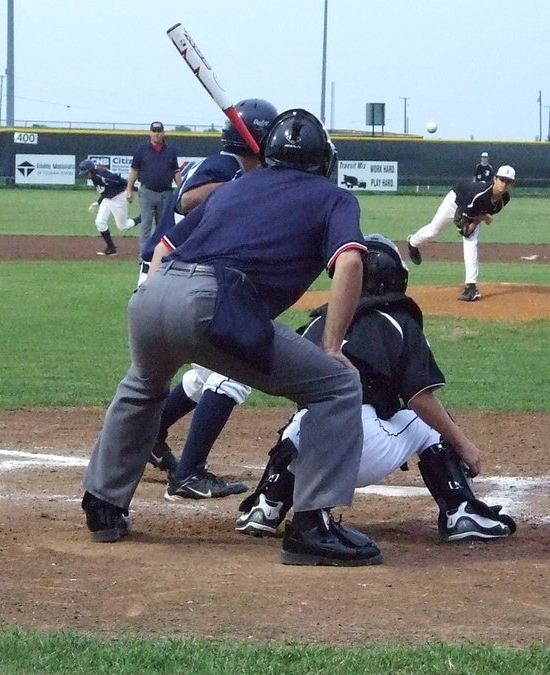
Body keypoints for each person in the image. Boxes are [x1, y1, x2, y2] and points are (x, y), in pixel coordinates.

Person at [81, 108, 384, 567]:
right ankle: (311, 526)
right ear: (324, 160)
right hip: (215, 300)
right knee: (337, 386)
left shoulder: (236, 188)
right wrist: (331, 346)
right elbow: (350, 263)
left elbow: (162, 248)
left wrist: (173, 308)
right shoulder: (334, 197)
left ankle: (102, 505)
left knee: (143, 385)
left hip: (152, 293)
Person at [234, 234, 518, 543]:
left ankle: (267, 504)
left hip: (310, 460)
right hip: (363, 452)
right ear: (393, 278)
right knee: (430, 419)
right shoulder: (398, 321)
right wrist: (465, 447)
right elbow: (421, 399)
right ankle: (461, 511)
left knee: (300, 421)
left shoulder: (317, 324)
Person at [139, 99, 281, 503]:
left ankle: (151, 435)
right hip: (178, 276)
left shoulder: (225, 165)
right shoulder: (228, 167)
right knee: (236, 368)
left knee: (206, 375)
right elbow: (187, 202)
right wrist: (245, 186)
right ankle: (188, 473)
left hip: (177, 278)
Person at [405, 165, 516, 302]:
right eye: (502, 179)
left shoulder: (504, 200)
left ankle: (471, 286)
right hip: (456, 200)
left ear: (512, 184)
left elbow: (481, 213)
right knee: (433, 230)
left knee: (471, 243)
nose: (504, 184)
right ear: (495, 179)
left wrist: (480, 218)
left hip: (472, 209)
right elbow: (464, 230)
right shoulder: (479, 195)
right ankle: (413, 243)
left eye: (508, 181)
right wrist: (481, 218)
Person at [126, 121, 182, 256]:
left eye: (159, 131)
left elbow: (175, 171)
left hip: (166, 193)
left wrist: (181, 188)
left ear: (163, 133)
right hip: (147, 192)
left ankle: (160, 255)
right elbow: (134, 170)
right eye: (154, 131)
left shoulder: (170, 149)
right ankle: (144, 255)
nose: (157, 134)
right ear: (150, 133)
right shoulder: (141, 149)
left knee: (163, 226)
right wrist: (129, 189)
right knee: (146, 225)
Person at [78, 159, 139, 256]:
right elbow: (106, 191)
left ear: (92, 170)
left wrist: (131, 191)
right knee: (100, 222)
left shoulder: (102, 176)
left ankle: (143, 217)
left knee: (123, 227)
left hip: (119, 198)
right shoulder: (94, 177)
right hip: (108, 199)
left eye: (86, 173)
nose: (85, 176)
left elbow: (121, 181)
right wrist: (98, 203)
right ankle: (111, 248)